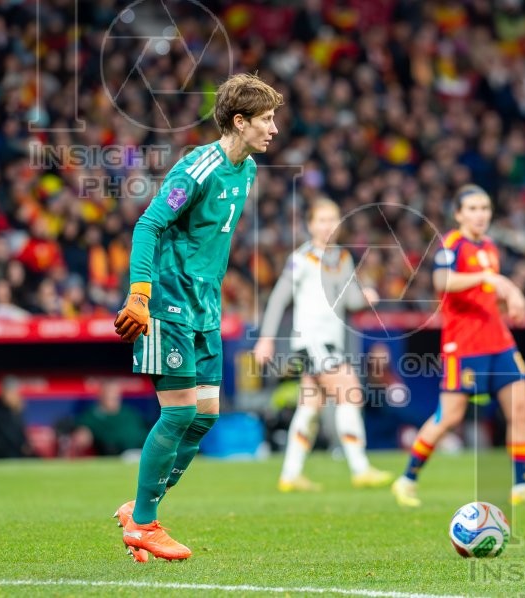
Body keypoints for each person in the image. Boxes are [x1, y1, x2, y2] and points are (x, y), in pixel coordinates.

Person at [112, 73, 283, 562]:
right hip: (168, 302)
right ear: (239, 120)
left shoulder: (246, 169)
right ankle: (144, 522)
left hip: (206, 307)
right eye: (266, 119)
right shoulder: (198, 168)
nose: (273, 129)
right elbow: (149, 225)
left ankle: (139, 510)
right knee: (180, 411)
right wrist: (140, 295)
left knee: (205, 418)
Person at [391, 185, 525, 508]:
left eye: (485, 208)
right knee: (449, 417)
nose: (481, 214)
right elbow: (443, 282)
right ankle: (407, 478)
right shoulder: (452, 244)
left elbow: (484, 292)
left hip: (499, 340)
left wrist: (507, 301)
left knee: (521, 408)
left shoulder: (490, 246)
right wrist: (490, 280)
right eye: (473, 209)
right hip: (463, 345)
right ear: (459, 214)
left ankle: (521, 485)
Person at [253, 198, 392, 492]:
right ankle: (360, 467)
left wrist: (365, 297)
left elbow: (350, 301)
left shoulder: (342, 258)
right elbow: (279, 298)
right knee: (349, 391)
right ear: (310, 224)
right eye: (322, 220)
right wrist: (265, 338)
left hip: (331, 341)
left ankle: (290, 474)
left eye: (334, 219)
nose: (329, 226)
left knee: (310, 407)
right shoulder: (301, 258)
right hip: (313, 340)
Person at [73, 380, 148, 456]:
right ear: (101, 395)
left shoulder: (130, 413)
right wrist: (83, 435)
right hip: (115, 456)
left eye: (115, 393)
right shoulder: (92, 416)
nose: (112, 396)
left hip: (141, 453)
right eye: (108, 393)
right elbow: (82, 434)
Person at [0, 376, 33, 459]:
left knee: (35, 457)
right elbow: (5, 433)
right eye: (9, 392)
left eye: (14, 392)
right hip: (2, 450)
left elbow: (20, 430)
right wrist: (21, 445)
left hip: (17, 448)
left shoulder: (17, 408)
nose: (12, 395)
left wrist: (25, 443)